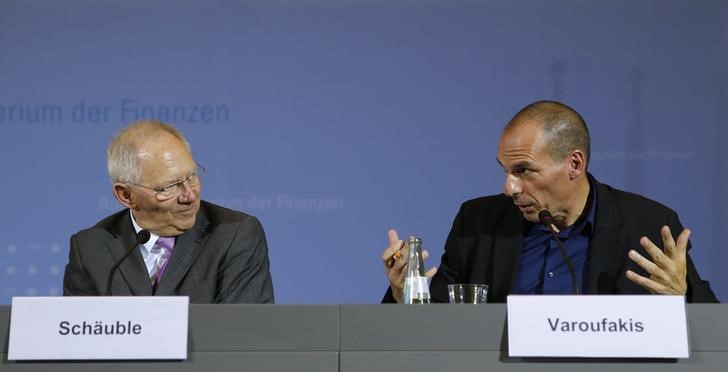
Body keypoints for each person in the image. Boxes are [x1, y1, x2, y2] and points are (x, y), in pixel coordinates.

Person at [382, 100, 718, 303]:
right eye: (506, 170)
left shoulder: (646, 225)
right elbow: (434, 329)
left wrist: (681, 298)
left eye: (524, 170)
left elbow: (715, 338)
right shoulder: (478, 222)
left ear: (574, 164)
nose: (509, 188)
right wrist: (403, 294)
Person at [63, 120, 274, 303]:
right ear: (126, 195)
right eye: (169, 187)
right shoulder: (91, 249)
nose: (189, 196)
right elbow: (79, 342)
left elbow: (242, 337)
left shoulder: (234, 235)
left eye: (191, 176)